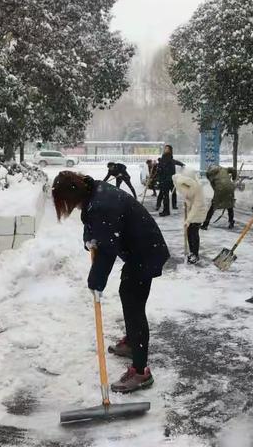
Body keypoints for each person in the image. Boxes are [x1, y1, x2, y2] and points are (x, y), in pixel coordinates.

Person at [52, 171, 170, 392]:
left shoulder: (102, 204)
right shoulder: (93, 191)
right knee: (128, 295)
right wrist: (89, 240)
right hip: (140, 249)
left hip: (145, 252)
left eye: (67, 202)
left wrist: (96, 282)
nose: (69, 207)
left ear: (73, 193)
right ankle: (133, 342)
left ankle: (141, 371)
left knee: (134, 305)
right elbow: (93, 224)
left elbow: (107, 249)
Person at [172, 168, 208, 264]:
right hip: (189, 209)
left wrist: (188, 220)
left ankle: (195, 255)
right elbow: (175, 179)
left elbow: (197, 205)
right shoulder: (182, 182)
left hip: (199, 211)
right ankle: (192, 252)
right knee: (188, 232)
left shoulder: (198, 188)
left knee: (194, 231)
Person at [201, 164, 237, 230]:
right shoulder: (223, 169)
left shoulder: (209, 174)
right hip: (230, 187)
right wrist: (234, 178)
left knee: (213, 207)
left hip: (220, 189)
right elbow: (233, 169)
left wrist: (218, 193)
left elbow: (213, 185)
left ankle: (205, 224)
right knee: (229, 206)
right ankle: (231, 222)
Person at [156, 145, 184, 216]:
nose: (166, 150)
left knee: (173, 193)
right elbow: (159, 170)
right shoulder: (162, 159)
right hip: (164, 180)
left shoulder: (171, 160)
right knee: (165, 196)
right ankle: (165, 210)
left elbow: (176, 162)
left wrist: (182, 165)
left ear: (170, 150)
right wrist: (159, 170)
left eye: (168, 149)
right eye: (165, 148)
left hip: (171, 180)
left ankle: (173, 206)